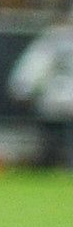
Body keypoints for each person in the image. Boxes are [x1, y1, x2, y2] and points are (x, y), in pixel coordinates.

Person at [11, 13, 73, 170]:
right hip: (60, 101)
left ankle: (53, 164)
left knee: (51, 148)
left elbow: (35, 65)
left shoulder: (54, 38)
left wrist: (22, 88)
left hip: (54, 99)